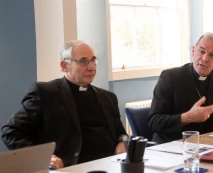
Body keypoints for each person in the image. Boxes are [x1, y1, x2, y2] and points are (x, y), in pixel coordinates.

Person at [1, 40, 127, 169]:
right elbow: (10, 132)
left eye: (93, 60)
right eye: (83, 61)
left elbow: (121, 134)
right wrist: (43, 158)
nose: (91, 67)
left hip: (111, 165)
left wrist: (122, 143)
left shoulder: (108, 97)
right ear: (64, 66)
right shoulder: (45, 93)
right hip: (71, 167)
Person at [148, 32, 213, 144]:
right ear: (193, 51)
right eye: (201, 51)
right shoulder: (170, 77)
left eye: (212, 55)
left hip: (207, 146)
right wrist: (187, 117)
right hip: (171, 146)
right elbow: (154, 122)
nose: (205, 58)